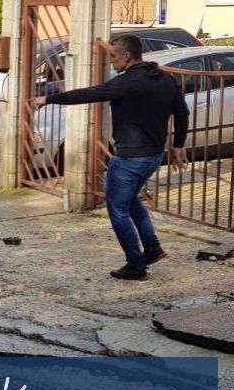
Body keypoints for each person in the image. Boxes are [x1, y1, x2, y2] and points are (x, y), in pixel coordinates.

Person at [32, 35, 189, 281]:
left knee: (117, 209)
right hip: (154, 156)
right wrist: (178, 144)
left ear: (127, 56)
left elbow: (90, 94)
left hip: (128, 158)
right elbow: (182, 112)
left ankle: (136, 264)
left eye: (114, 57)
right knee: (130, 202)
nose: (112, 62)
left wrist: (48, 99)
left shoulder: (127, 82)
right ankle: (153, 248)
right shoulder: (166, 80)